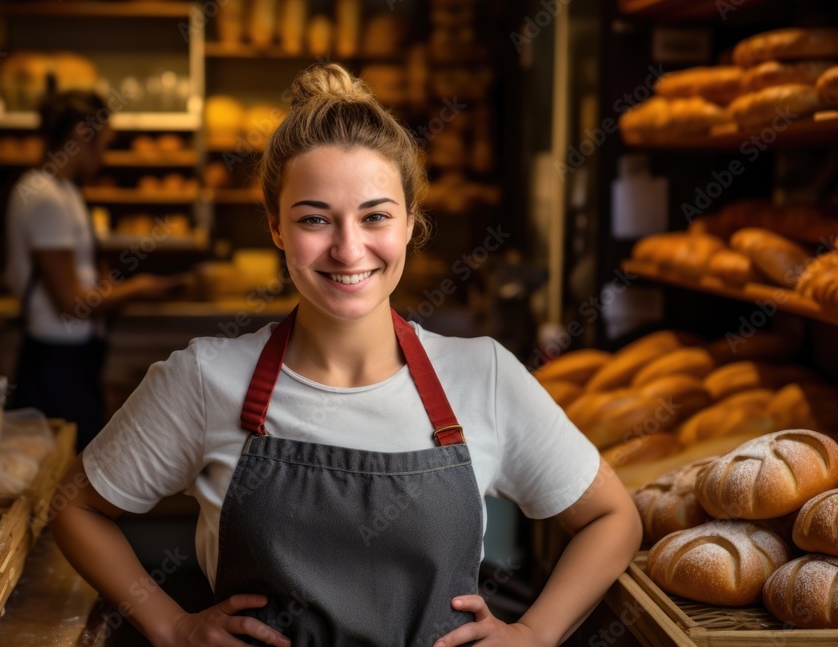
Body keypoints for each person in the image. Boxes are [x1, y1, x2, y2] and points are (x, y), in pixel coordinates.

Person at [50, 64, 641, 646]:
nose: (348, 248)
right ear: (276, 228)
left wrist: (536, 633)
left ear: (411, 222)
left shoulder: (480, 375)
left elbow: (613, 519)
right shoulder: (205, 378)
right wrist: (171, 625)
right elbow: (76, 510)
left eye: (376, 216)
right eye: (314, 219)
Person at [6, 90, 179, 451]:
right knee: (61, 472)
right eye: (105, 142)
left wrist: (110, 284)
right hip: (54, 360)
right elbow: (71, 302)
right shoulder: (44, 196)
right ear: (83, 133)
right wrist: (139, 288)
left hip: (72, 355)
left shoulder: (64, 190)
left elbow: (84, 273)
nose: (105, 153)